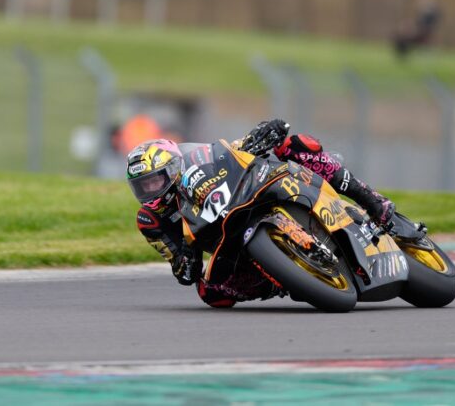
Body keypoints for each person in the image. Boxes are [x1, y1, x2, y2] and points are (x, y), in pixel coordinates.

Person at [126, 119, 399, 308]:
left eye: (156, 180)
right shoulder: (151, 220)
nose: (151, 190)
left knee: (295, 146)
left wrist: (260, 136)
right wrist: (186, 253)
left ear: (173, 168)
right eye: (143, 186)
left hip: (250, 193)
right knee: (211, 295)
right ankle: (281, 277)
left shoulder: (197, 160)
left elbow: (233, 149)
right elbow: (184, 274)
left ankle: (374, 202)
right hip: (225, 242)